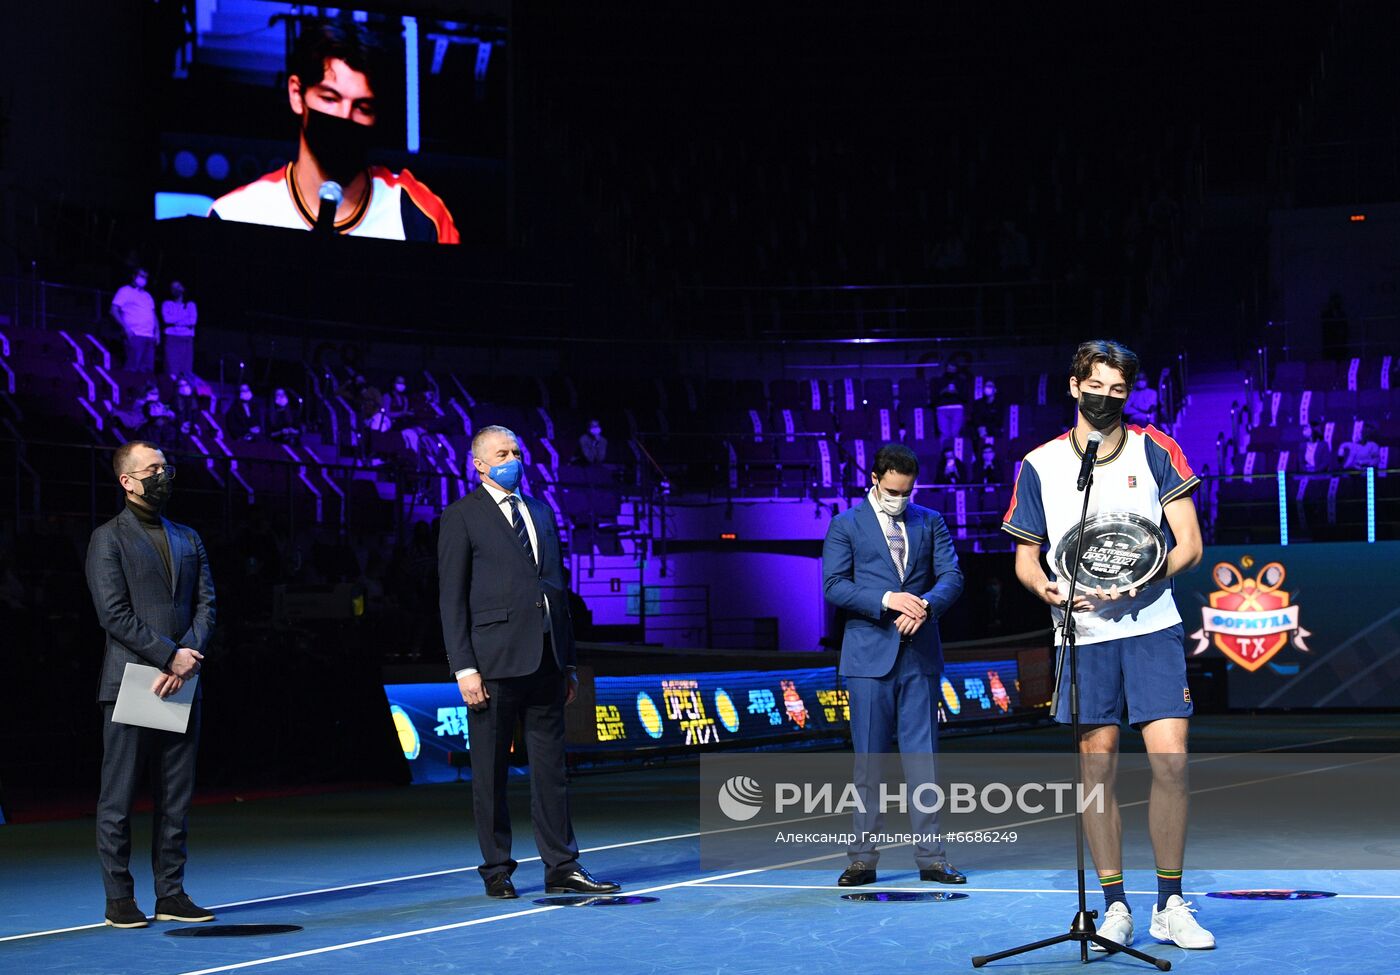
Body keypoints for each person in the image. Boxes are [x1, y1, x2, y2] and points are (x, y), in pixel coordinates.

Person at [1001, 339, 1213, 951]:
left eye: (1118, 390)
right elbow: (1026, 558)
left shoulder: (1156, 450)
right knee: (1098, 772)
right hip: (1082, 635)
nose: (1106, 398)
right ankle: (1114, 904)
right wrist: (1046, 589)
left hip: (1152, 627)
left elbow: (1190, 544)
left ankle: (1170, 902)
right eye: (1096, 387)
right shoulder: (1039, 464)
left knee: (1170, 762)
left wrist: (1140, 582)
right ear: (1074, 386)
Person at [437, 425, 620, 899]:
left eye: (516, 451)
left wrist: (569, 662)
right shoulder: (462, 516)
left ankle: (562, 865)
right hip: (492, 663)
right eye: (502, 453)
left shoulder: (539, 511)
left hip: (546, 660)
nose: (513, 458)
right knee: (491, 774)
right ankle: (497, 869)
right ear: (479, 463)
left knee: (552, 771)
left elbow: (558, 592)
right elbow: (451, 598)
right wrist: (464, 666)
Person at [821, 443, 965, 888]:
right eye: (892, 491)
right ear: (875, 481)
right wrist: (886, 600)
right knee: (870, 763)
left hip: (918, 656)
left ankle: (932, 859)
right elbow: (834, 585)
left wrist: (922, 604)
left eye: (907, 491)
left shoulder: (931, 520)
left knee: (923, 762)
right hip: (868, 659)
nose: (900, 499)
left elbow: (952, 577)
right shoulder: (845, 524)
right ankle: (862, 860)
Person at [85, 441, 216, 929]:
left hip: (181, 677)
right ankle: (119, 898)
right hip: (132, 680)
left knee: (175, 797)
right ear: (127, 481)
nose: (164, 474)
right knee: (118, 796)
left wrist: (187, 657)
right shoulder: (108, 538)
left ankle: (171, 893)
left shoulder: (188, 536)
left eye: (166, 466)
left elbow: (207, 606)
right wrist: (168, 655)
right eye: (152, 468)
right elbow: (113, 614)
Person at [208, 21, 459, 243]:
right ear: (297, 95)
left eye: (362, 107)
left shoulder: (419, 214)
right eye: (330, 99)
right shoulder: (236, 215)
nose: (344, 117)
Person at [111, 269, 159, 374]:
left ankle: (144, 390)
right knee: (132, 369)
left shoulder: (147, 296)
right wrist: (125, 328)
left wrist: (157, 332)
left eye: (145, 277)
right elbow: (113, 310)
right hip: (135, 334)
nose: (143, 279)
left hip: (149, 337)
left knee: (147, 371)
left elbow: (153, 314)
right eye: (141, 276)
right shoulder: (125, 291)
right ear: (134, 276)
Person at [160, 281, 197, 376]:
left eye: (178, 286)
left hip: (186, 339)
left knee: (186, 370)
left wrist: (175, 321)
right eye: (173, 287)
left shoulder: (190, 305)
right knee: (171, 369)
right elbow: (167, 320)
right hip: (172, 338)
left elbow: (192, 321)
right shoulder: (166, 304)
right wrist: (184, 315)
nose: (175, 289)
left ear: (183, 289)